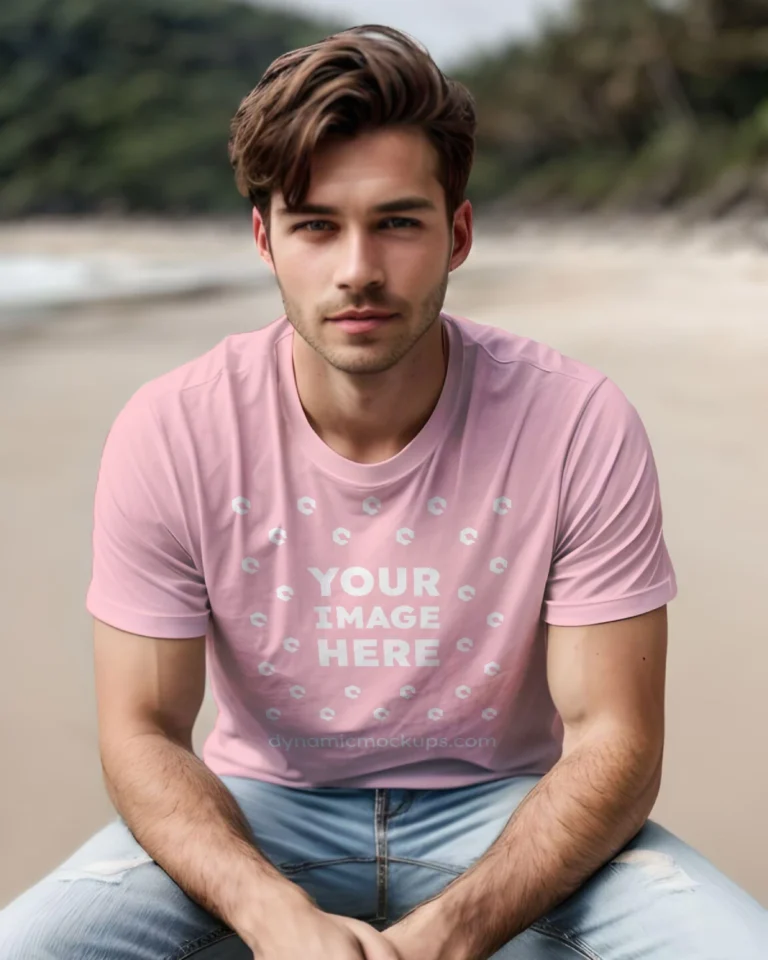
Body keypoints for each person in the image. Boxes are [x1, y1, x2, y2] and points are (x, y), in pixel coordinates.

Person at [1, 23, 765, 960]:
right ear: (264, 239)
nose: (357, 267)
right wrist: (271, 918)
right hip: (259, 814)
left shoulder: (574, 422)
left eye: (397, 222)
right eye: (316, 224)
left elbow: (615, 740)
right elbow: (144, 732)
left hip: (507, 815)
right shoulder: (175, 430)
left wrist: (448, 935)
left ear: (458, 233)